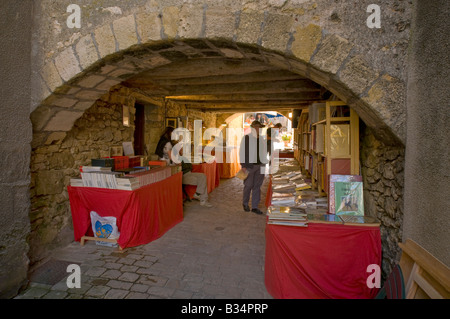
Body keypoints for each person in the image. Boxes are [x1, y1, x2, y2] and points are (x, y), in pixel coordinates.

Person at [239, 120, 268, 215]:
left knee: (257, 186)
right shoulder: (246, 138)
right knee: (248, 185)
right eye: (255, 127)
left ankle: (255, 207)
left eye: (259, 127)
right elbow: (242, 151)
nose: (257, 129)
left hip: (260, 165)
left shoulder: (262, 139)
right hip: (249, 166)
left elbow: (264, 153)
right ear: (252, 128)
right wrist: (243, 165)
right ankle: (245, 203)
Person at [173, 143, 213, 208]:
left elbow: (190, 166)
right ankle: (203, 200)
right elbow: (180, 168)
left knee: (203, 176)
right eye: (181, 149)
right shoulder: (175, 158)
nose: (182, 150)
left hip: (189, 173)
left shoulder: (182, 157)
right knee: (202, 180)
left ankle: (198, 194)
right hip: (184, 176)